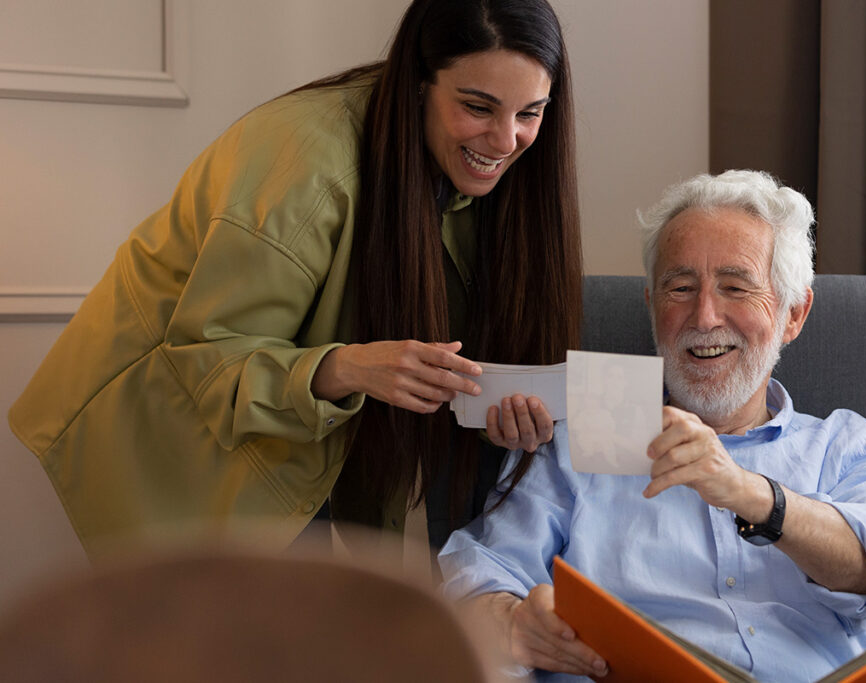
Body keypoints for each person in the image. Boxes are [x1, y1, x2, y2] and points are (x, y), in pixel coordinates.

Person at [7, 0, 582, 559]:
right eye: (479, 107)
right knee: (220, 645)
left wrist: (501, 419)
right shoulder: (306, 170)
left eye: (529, 112)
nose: (507, 141)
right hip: (164, 407)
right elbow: (209, 359)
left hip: (292, 414)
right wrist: (350, 367)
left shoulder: (489, 172)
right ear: (417, 85)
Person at [439, 170, 866, 681]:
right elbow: (480, 572)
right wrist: (511, 621)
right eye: (681, 287)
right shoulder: (577, 439)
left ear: (793, 314)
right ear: (652, 307)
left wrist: (751, 494)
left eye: (736, 287)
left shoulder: (847, 446)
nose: (705, 316)